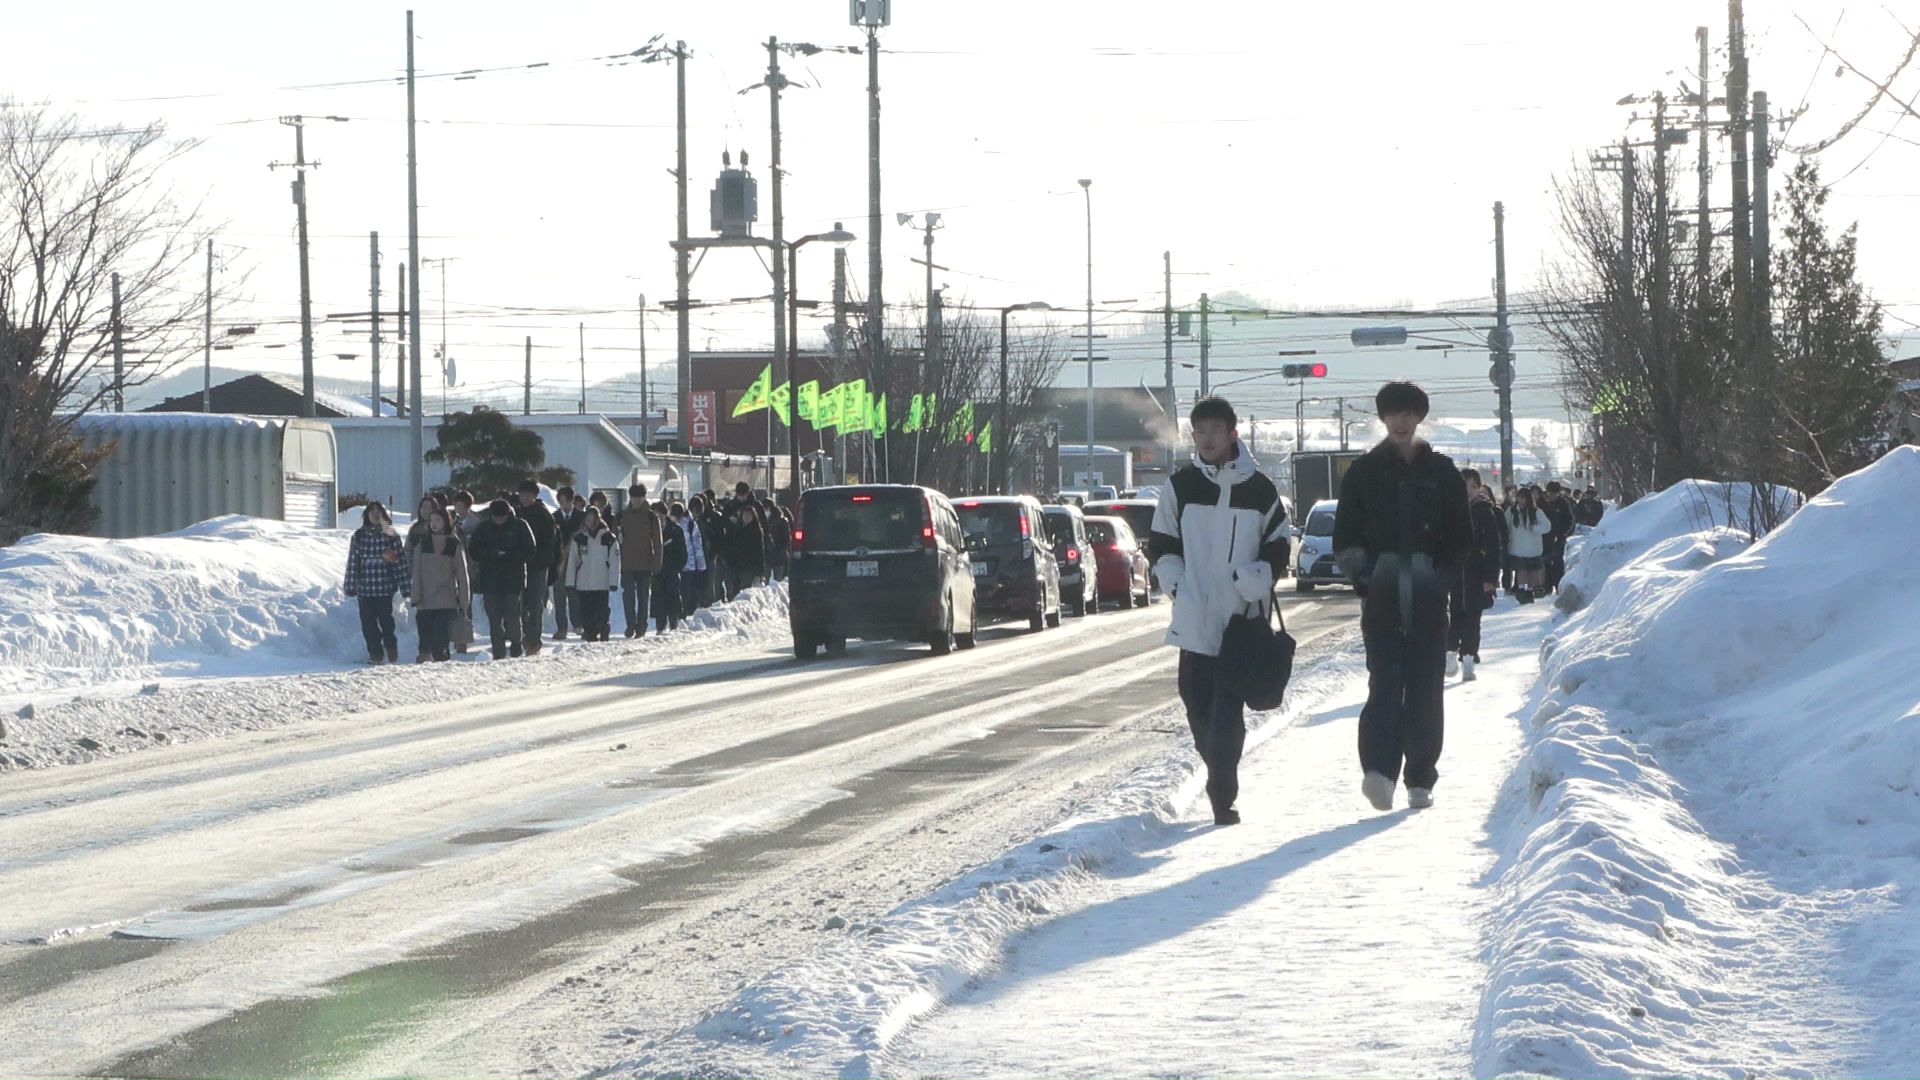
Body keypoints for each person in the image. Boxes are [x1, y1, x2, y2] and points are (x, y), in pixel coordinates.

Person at [1146, 395, 1291, 828]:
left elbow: (1279, 545)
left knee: (1226, 715)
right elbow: (1162, 545)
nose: (1207, 439)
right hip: (1194, 617)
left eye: (1215, 431)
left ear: (1233, 434)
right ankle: (1218, 771)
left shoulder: (1261, 490)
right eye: (1200, 431)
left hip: (1241, 623)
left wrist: (1258, 576)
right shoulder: (1181, 487)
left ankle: (1222, 796)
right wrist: (1176, 584)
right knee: (1197, 706)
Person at [1332, 381, 1471, 812]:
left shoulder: (1442, 471)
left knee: (1427, 686)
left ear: (1420, 418)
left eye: (1409, 414)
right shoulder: (1363, 472)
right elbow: (1346, 535)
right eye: (1393, 414)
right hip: (1383, 595)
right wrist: (1365, 576)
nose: (1401, 422)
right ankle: (1378, 771)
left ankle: (1420, 777)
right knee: (1385, 682)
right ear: (1382, 418)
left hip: (1429, 597)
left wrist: (1443, 576)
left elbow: (1461, 536)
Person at [1450, 468, 1503, 682]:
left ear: (1477, 487)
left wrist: (1491, 579)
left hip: (1476, 572)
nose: (1465, 491)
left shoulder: (1484, 511)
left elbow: (1494, 547)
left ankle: (1469, 661)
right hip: (1455, 572)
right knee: (1453, 614)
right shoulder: (1450, 509)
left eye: (1469, 486)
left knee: (1472, 618)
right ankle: (1450, 655)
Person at [343, 501, 410, 665]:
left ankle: (391, 648)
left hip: (384, 587)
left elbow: (399, 562)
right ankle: (375, 654)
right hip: (365, 588)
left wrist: (405, 587)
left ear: (383, 515)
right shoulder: (359, 536)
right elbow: (353, 561)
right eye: (371, 511)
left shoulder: (390, 536)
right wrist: (350, 585)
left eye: (378, 511)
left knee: (386, 621)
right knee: (368, 623)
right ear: (366, 515)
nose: (374, 514)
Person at [470, 498, 536, 659]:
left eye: (502, 517)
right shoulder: (484, 528)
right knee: (494, 618)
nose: (498, 520)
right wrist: (491, 555)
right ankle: (498, 650)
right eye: (495, 517)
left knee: (513, 616)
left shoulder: (520, 526)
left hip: (513, 579)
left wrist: (510, 556)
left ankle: (516, 645)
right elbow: (473, 550)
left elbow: (530, 549)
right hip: (490, 580)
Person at [409, 507, 472, 662]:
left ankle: (441, 670)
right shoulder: (422, 544)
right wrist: (415, 595)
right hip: (425, 601)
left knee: (440, 641)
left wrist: (464, 602)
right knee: (424, 641)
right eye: (431, 521)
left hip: (446, 600)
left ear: (446, 521)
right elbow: (417, 573)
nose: (434, 524)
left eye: (438, 520)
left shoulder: (453, 544)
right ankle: (422, 675)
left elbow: (462, 576)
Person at [515, 480, 558, 655]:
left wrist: (543, 562)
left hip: (538, 566)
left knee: (534, 604)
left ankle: (534, 640)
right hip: (519, 566)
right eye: (521, 494)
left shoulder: (543, 514)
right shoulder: (517, 513)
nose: (523, 497)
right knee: (520, 605)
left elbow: (550, 543)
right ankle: (524, 637)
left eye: (527, 494)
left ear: (534, 495)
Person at [567, 506, 621, 641]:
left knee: (602, 611)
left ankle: (603, 631)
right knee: (586, 612)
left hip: (601, 582)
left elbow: (615, 562)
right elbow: (572, 562)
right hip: (583, 583)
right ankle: (589, 633)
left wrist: (613, 582)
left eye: (593, 518)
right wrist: (570, 582)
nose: (591, 522)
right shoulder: (578, 539)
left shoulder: (609, 538)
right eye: (588, 519)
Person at [620, 483, 663, 637]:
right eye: (633, 498)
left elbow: (658, 542)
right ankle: (630, 624)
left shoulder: (651, 517)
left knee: (643, 597)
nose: (636, 501)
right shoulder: (623, 516)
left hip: (645, 563)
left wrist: (657, 563)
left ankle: (641, 626)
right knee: (628, 596)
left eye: (639, 498)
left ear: (644, 498)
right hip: (627, 564)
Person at [1504, 488, 1552, 603]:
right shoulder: (1512, 511)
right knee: (1522, 571)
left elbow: (1547, 526)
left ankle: (1530, 590)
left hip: (1533, 549)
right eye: (1519, 497)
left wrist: (1535, 528)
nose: (1520, 500)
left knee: (1532, 572)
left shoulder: (1536, 511)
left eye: (1523, 497)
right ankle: (1522, 591)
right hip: (1518, 548)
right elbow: (1505, 525)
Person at [550, 486, 581, 640]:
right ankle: (561, 627)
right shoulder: (554, 517)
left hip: (577, 561)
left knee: (575, 593)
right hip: (559, 561)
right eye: (560, 501)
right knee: (559, 595)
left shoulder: (581, 517)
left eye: (566, 501)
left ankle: (578, 624)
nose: (563, 504)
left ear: (571, 501)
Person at [657, 501, 688, 632]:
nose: (658, 518)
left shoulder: (675, 529)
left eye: (660, 515)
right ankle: (660, 624)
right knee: (658, 598)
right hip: (657, 570)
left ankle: (673, 622)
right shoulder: (651, 530)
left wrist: (677, 567)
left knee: (673, 596)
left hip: (672, 569)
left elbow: (682, 552)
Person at [726, 496, 767, 596]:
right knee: (734, 590)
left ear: (754, 517)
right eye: (745, 515)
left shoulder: (756, 531)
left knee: (745, 590)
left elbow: (760, 549)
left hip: (750, 566)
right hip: (737, 565)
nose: (747, 517)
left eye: (749, 515)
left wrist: (760, 570)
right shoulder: (737, 529)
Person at [1540, 481, 1576, 593]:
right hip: (1544, 538)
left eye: (1555, 493)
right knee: (1545, 562)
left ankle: (1558, 585)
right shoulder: (1542, 503)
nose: (1552, 496)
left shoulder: (1563, 504)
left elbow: (1570, 520)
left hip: (1559, 538)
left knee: (1558, 562)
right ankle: (1546, 586)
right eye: (1550, 493)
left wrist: (1564, 533)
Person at [681, 496, 710, 614]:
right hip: (691, 565)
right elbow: (698, 548)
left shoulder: (681, 521)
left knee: (684, 592)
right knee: (691, 593)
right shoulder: (691, 525)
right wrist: (702, 567)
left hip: (681, 564)